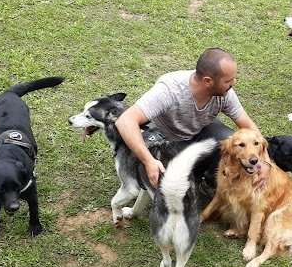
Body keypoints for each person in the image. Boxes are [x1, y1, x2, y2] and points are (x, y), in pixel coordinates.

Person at [115, 48, 270, 189]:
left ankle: (209, 180)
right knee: (172, 185)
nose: (233, 84)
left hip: (196, 134)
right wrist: (149, 161)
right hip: (165, 142)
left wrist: (265, 161)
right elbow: (125, 121)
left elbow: (249, 126)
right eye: (228, 81)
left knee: (227, 140)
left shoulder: (225, 94)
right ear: (208, 81)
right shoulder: (170, 90)